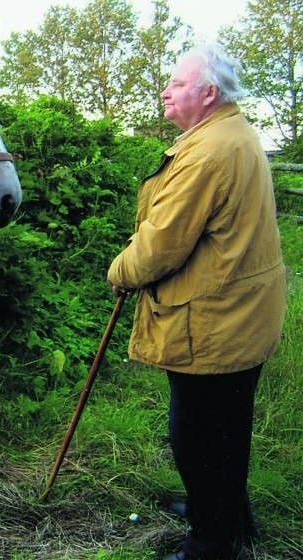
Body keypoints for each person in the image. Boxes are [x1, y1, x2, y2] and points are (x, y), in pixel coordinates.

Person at [107, 44, 286, 560]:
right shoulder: (233, 133)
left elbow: (161, 243)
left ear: (208, 94)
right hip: (240, 311)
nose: (166, 91)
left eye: (177, 84)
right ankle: (229, 515)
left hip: (214, 319)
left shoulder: (208, 151)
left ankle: (210, 543)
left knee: (197, 437)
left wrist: (120, 271)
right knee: (228, 428)